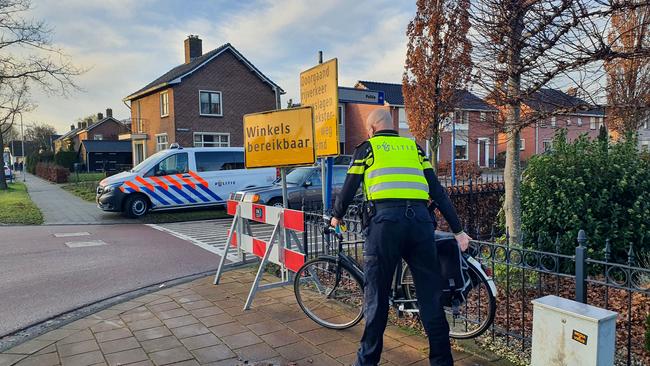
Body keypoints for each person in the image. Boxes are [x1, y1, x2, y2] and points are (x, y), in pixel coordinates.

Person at [331, 109, 471, 366]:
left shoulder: (368, 148)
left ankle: (366, 363)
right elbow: (438, 192)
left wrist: (336, 216)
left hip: (384, 226)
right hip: (419, 224)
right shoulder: (414, 149)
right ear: (392, 126)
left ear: (372, 129)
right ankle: (442, 362)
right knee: (430, 297)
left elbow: (349, 188)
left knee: (376, 297)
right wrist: (458, 230)